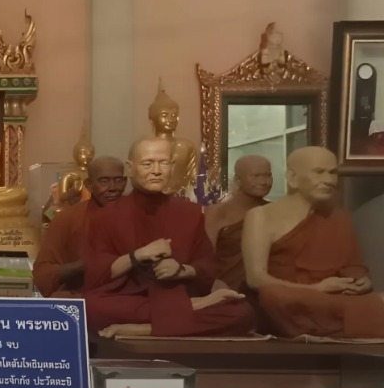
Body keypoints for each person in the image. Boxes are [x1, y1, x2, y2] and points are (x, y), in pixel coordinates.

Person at [82, 138, 254, 338]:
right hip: (130, 298)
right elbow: (96, 272)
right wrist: (138, 255)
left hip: (174, 293)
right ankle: (192, 308)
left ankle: (145, 329)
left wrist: (182, 270)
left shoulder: (189, 212)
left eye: (163, 163)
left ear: (172, 166)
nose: (156, 171)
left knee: (242, 312)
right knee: (89, 307)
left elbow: (207, 266)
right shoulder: (106, 215)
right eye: (147, 163)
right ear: (130, 168)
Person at [242, 146, 384, 338]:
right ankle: (364, 316)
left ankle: (344, 319)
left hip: (331, 298)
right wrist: (317, 289)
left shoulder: (339, 218)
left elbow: (353, 267)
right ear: (292, 177)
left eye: (333, 173)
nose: (329, 180)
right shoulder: (261, 216)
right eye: (319, 172)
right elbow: (256, 279)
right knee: (272, 295)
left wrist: (360, 281)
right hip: (291, 299)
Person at [33, 155, 125, 298]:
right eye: (104, 181)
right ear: (89, 185)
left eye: (118, 180)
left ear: (125, 182)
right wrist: (85, 265)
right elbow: (42, 275)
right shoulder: (67, 218)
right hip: (83, 295)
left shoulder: (137, 215)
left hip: (127, 296)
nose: (112, 188)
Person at [203, 155, 272, 292]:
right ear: (237, 180)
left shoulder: (274, 211)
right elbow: (205, 258)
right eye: (256, 176)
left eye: (268, 176)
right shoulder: (218, 212)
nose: (263, 182)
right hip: (225, 289)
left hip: (266, 288)